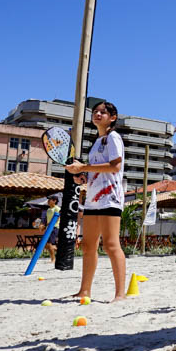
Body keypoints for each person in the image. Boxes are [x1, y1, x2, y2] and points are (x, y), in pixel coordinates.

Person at [66, 101, 128, 303]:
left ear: (113, 118)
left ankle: (120, 294)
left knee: (111, 245)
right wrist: (82, 177)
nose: (98, 114)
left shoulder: (113, 137)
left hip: (110, 198)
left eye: (103, 112)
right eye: (95, 112)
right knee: (87, 246)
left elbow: (115, 167)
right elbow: (98, 171)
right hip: (93, 199)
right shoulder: (96, 142)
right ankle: (84, 291)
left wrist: (84, 166)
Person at [39, 195, 60, 263]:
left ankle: (53, 259)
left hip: (54, 227)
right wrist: (43, 226)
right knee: (46, 245)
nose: (48, 201)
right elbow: (46, 220)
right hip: (48, 228)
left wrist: (48, 224)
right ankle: (61, 251)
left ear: (54, 201)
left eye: (49, 200)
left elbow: (57, 219)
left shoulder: (57, 208)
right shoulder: (48, 210)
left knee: (49, 244)